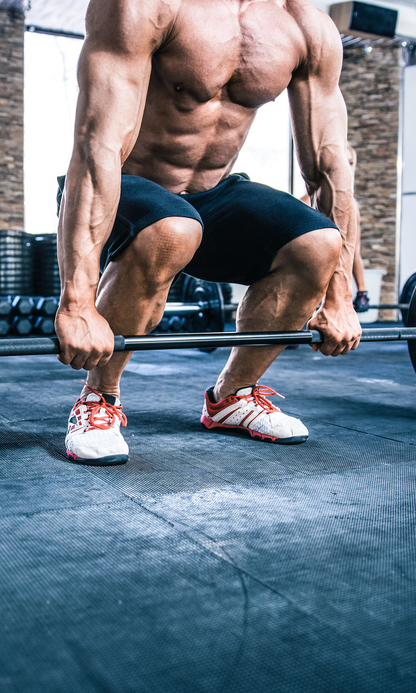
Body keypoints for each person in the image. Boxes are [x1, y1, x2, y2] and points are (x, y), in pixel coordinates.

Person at [55, 0, 362, 465]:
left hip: (209, 195)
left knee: (319, 243)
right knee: (172, 227)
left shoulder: (306, 26)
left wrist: (339, 298)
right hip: (125, 187)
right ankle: (99, 398)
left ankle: (232, 398)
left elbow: (330, 166)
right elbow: (98, 143)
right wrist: (77, 303)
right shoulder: (146, 5)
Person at [301, 144, 369, 313]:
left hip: (335, 277)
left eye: (351, 163)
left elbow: (353, 252)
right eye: (343, 161)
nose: (347, 167)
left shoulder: (352, 207)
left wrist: (362, 291)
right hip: (311, 276)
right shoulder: (306, 201)